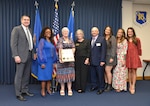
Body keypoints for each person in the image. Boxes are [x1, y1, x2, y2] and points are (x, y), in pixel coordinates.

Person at [10, 15, 35, 101]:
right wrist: (15, 55)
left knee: (26, 75)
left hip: (29, 55)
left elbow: (30, 43)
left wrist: (33, 53)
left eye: (28, 20)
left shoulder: (30, 30)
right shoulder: (16, 29)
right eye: (25, 20)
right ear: (21, 20)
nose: (26, 21)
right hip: (20, 56)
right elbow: (13, 44)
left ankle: (24, 90)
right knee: (19, 75)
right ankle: (18, 93)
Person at [37, 27, 57, 97]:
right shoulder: (42, 40)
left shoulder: (51, 41)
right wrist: (42, 62)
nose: (48, 33)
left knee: (49, 76)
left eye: (49, 32)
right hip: (44, 61)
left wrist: (54, 61)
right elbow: (40, 51)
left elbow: (54, 52)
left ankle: (48, 89)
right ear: (44, 33)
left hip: (50, 61)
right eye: (47, 32)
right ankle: (43, 90)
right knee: (43, 77)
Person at [56, 27, 75, 96]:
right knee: (62, 75)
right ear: (62, 33)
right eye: (64, 32)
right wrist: (61, 58)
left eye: (66, 32)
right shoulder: (60, 39)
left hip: (70, 60)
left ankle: (69, 89)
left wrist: (71, 55)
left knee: (69, 75)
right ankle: (62, 89)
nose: (65, 33)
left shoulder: (71, 39)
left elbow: (73, 48)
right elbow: (60, 49)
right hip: (62, 60)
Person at [89, 27, 107, 95]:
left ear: (98, 32)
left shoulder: (102, 39)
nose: (93, 32)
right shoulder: (90, 39)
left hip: (99, 61)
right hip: (92, 61)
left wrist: (102, 60)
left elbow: (103, 51)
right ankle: (94, 85)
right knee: (92, 75)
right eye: (92, 31)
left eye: (95, 31)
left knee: (100, 75)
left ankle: (101, 88)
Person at [126, 27, 142, 94]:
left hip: (135, 57)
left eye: (131, 31)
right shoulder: (125, 40)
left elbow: (139, 48)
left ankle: (133, 86)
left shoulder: (137, 39)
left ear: (133, 32)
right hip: (128, 57)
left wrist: (138, 56)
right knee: (129, 71)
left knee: (134, 71)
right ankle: (130, 84)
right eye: (128, 31)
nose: (130, 33)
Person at [104, 26, 117, 92]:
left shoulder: (113, 38)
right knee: (105, 71)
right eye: (106, 29)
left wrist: (112, 57)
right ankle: (106, 84)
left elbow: (114, 48)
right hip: (105, 56)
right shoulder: (103, 38)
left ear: (110, 31)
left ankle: (110, 85)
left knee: (108, 70)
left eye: (108, 30)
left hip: (110, 57)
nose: (107, 31)